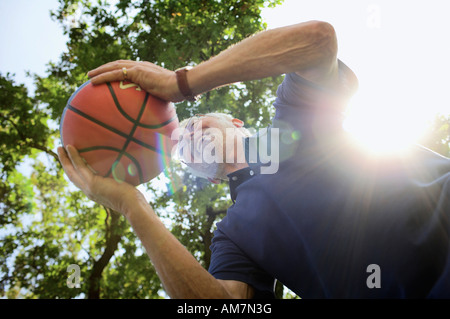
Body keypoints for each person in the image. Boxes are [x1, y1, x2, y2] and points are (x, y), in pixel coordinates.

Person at [58, 20, 450, 298]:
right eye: (181, 151)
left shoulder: (292, 125)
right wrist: (132, 205)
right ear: (208, 179)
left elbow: (317, 41)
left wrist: (182, 83)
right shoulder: (234, 235)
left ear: (236, 121)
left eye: (196, 122)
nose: (186, 135)